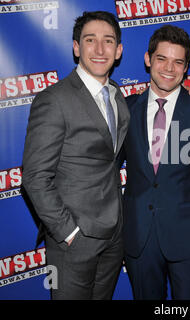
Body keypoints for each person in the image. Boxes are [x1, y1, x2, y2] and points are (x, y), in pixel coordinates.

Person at [22, 11, 129, 300]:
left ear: (118, 51)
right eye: (90, 40)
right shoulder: (54, 99)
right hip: (73, 241)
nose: (99, 49)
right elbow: (34, 176)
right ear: (76, 47)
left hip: (113, 237)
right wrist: (68, 232)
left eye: (108, 41)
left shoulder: (117, 96)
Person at [123, 24, 190, 300]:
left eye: (178, 62)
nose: (169, 68)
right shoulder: (126, 109)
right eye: (161, 59)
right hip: (139, 239)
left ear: (186, 67)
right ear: (148, 59)